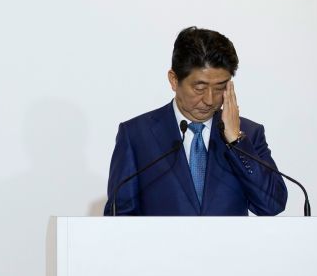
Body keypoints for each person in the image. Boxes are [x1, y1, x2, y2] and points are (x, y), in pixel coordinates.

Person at [103, 26, 287, 216]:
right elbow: (119, 217)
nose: (210, 100)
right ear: (174, 80)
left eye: (219, 88)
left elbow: (272, 205)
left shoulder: (248, 133)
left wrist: (236, 141)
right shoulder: (136, 135)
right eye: (199, 88)